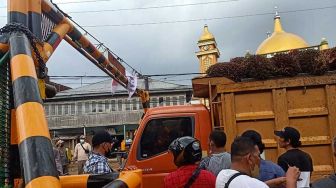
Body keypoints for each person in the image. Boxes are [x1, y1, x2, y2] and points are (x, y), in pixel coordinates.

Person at [216, 136, 300, 188]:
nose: (259, 160)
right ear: (249, 159)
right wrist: (291, 181)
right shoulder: (254, 184)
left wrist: (270, 183)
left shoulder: (222, 175)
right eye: (257, 156)